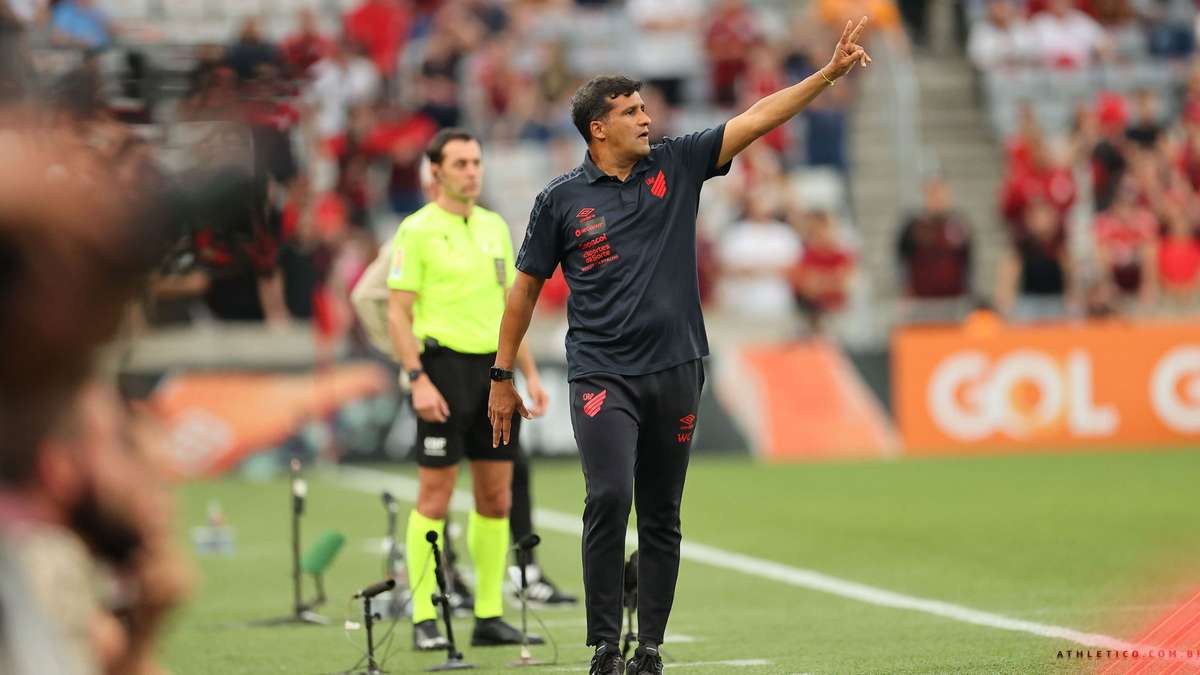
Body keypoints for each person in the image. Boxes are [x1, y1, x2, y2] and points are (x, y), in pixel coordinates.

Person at [487, 18, 872, 675]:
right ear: (597, 128)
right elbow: (523, 292)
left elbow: (755, 119)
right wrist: (501, 374)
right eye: (631, 110)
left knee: (662, 512)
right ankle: (605, 645)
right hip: (602, 373)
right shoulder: (559, 200)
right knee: (609, 495)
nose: (647, 117)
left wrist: (827, 74)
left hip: (677, 370)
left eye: (646, 107)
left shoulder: (679, 162)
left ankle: (650, 649)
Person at [387, 128, 550, 650]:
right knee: (433, 497)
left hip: (493, 376)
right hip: (441, 371)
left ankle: (487, 614)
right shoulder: (415, 230)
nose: (472, 171)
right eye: (459, 163)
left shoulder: (495, 227)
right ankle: (423, 617)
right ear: (435, 172)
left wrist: (529, 373)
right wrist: (417, 379)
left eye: (476, 161)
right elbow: (398, 312)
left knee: (496, 496)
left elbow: (512, 308)